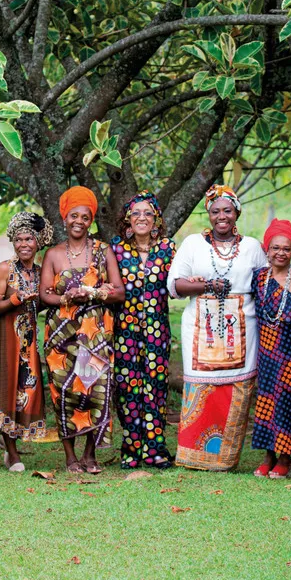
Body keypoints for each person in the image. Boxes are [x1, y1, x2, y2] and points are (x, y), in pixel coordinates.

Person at [166, 184, 267, 471]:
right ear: (208, 214)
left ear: (237, 212)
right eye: (215, 211)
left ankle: (225, 459)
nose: (221, 216)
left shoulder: (252, 247)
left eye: (227, 210)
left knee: (236, 388)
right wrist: (207, 285)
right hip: (200, 331)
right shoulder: (192, 244)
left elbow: (265, 283)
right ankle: (193, 456)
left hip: (242, 330)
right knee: (202, 388)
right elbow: (174, 285)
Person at [40, 186, 124, 474]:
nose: (79, 221)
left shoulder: (103, 251)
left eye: (85, 217)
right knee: (64, 392)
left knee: (93, 390)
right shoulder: (52, 254)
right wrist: (66, 298)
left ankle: (90, 455)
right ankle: (69, 456)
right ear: (65, 218)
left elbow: (119, 293)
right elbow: (44, 296)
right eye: (73, 215)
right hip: (61, 335)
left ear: (91, 220)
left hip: (96, 333)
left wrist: (92, 294)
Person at [111, 191, 175, 469]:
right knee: (128, 388)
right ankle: (131, 449)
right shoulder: (115, 249)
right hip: (125, 330)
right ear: (127, 219)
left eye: (148, 213)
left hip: (157, 330)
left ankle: (155, 449)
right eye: (136, 213)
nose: (142, 218)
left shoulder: (169, 249)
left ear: (157, 219)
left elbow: (178, 282)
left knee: (156, 388)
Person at [0, 212, 53, 472]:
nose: (24, 244)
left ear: (38, 242)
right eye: (19, 239)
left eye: (29, 238)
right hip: (6, 339)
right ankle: (12, 453)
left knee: (27, 392)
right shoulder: (5, 268)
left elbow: (39, 305)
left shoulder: (41, 272)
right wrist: (16, 300)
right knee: (7, 391)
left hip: (28, 341)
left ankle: (16, 443)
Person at [251, 219, 291, 478]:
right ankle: (268, 455)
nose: (280, 253)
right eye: (275, 247)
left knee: (287, 404)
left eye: (286, 248)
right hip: (266, 354)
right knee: (265, 404)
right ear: (267, 249)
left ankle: (285, 458)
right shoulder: (259, 278)